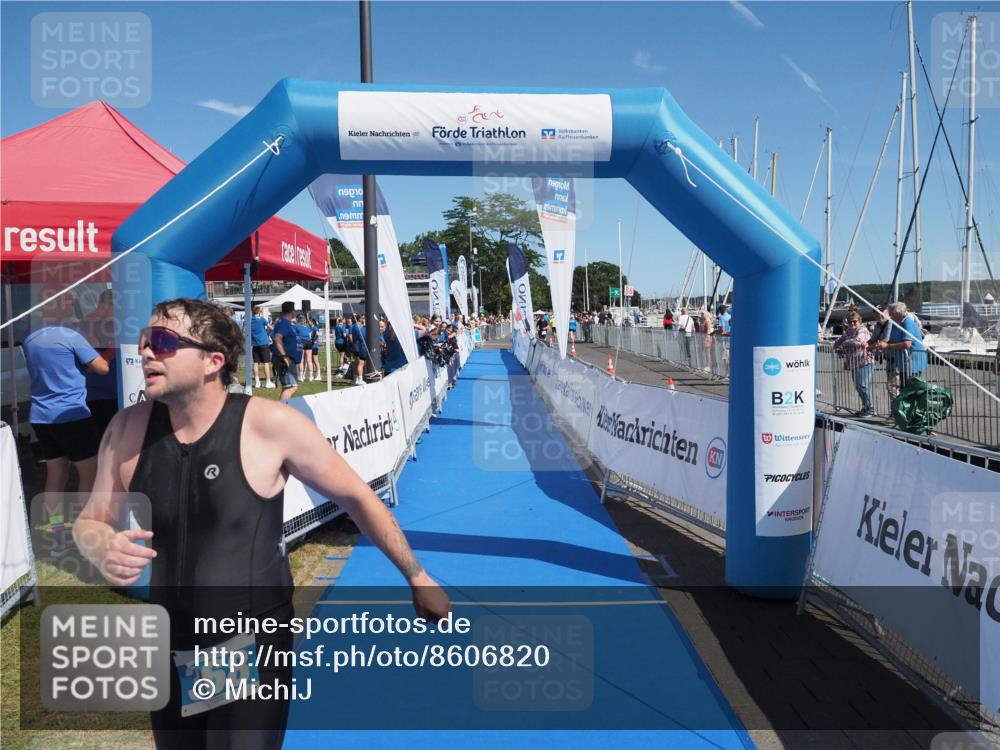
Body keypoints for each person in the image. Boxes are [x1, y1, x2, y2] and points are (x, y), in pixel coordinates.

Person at [72, 297, 449, 750]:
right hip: (168, 638)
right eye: (145, 341)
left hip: (244, 641)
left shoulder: (269, 426)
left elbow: (358, 497)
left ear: (214, 361)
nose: (147, 352)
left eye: (165, 341)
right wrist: (98, 544)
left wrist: (416, 574)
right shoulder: (127, 428)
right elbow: (91, 519)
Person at [22, 290, 109, 554]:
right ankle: (83, 533)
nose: (73, 308)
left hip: (41, 415)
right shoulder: (71, 336)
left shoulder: (30, 338)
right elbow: (102, 368)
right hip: (72, 415)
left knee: (55, 476)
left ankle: (59, 535)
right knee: (89, 474)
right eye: (69, 303)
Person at [83, 289, 119, 439]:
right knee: (105, 442)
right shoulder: (86, 326)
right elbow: (90, 367)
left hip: (117, 393)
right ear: (105, 306)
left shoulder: (115, 324)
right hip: (98, 396)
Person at [874, 301, 928, 401]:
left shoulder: (907, 322)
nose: (889, 316)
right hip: (903, 362)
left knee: (910, 389)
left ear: (898, 313)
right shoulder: (896, 322)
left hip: (912, 362)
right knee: (904, 387)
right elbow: (893, 339)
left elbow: (907, 343)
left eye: (891, 314)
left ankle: (910, 412)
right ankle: (905, 411)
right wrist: (882, 344)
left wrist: (888, 346)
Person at [833, 310, 877, 417]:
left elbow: (858, 340)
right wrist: (841, 343)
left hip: (865, 361)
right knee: (858, 386)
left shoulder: (863, 330)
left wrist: (845, 343)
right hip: (853, 363)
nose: (852, 324)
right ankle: (865, 407)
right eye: (850, 322)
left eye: (854, 321)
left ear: (859, 321)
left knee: (863, 385)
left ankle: (871, 408)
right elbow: (837, 342)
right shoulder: (848, 331)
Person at [270, 302, 301, 401]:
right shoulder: (283, 323)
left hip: (287, 358)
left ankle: (281, 408)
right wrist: (285, 357)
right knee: (292, 387)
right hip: (284, 359)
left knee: (287, 386)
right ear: (292, 311)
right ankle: (281, 409)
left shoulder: (285, 323)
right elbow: (278, 339)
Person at [250, 306, 274, 389]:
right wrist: (268, 332)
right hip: (263, 343)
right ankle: (268, 381)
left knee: (256, 363)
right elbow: (271, 328)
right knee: (266, 362)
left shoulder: (250, 320)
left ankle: (257, 382)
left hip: (254, 344)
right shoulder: (262, 320)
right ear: (259, 312)